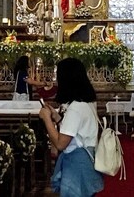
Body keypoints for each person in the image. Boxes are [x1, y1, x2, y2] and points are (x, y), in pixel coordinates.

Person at [38, 58, 103, 197]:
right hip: (86, 160)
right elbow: (77, 130)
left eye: (58, 76)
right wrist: (57, 118)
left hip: (77, 164)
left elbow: (61, 143)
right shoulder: (86, 103)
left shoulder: (75, 108)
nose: (56, 81)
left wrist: (47, 120)